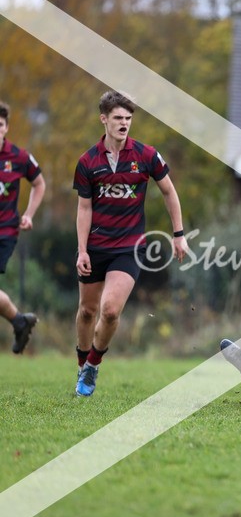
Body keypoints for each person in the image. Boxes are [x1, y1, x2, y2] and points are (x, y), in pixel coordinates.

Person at [72, 90, 189, 397]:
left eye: (128, 118)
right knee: (87, 311)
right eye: (118, 118)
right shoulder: (87, 161)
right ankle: (82, 365)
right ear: (104, 119)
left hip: (129, 247)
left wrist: (178, 234)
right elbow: (84, 209)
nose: (124, 123)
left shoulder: (146, 155)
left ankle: (93, 365)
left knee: (110, 311)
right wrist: (82, 250)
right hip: (95, 246)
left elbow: (169, 192)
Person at [0, 100, 45, 354]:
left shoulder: (19, 157)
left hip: (5, 232)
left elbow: (39, 183)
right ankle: (19, 322)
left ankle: (19, 322)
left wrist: (29, 214)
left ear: (6, 128)